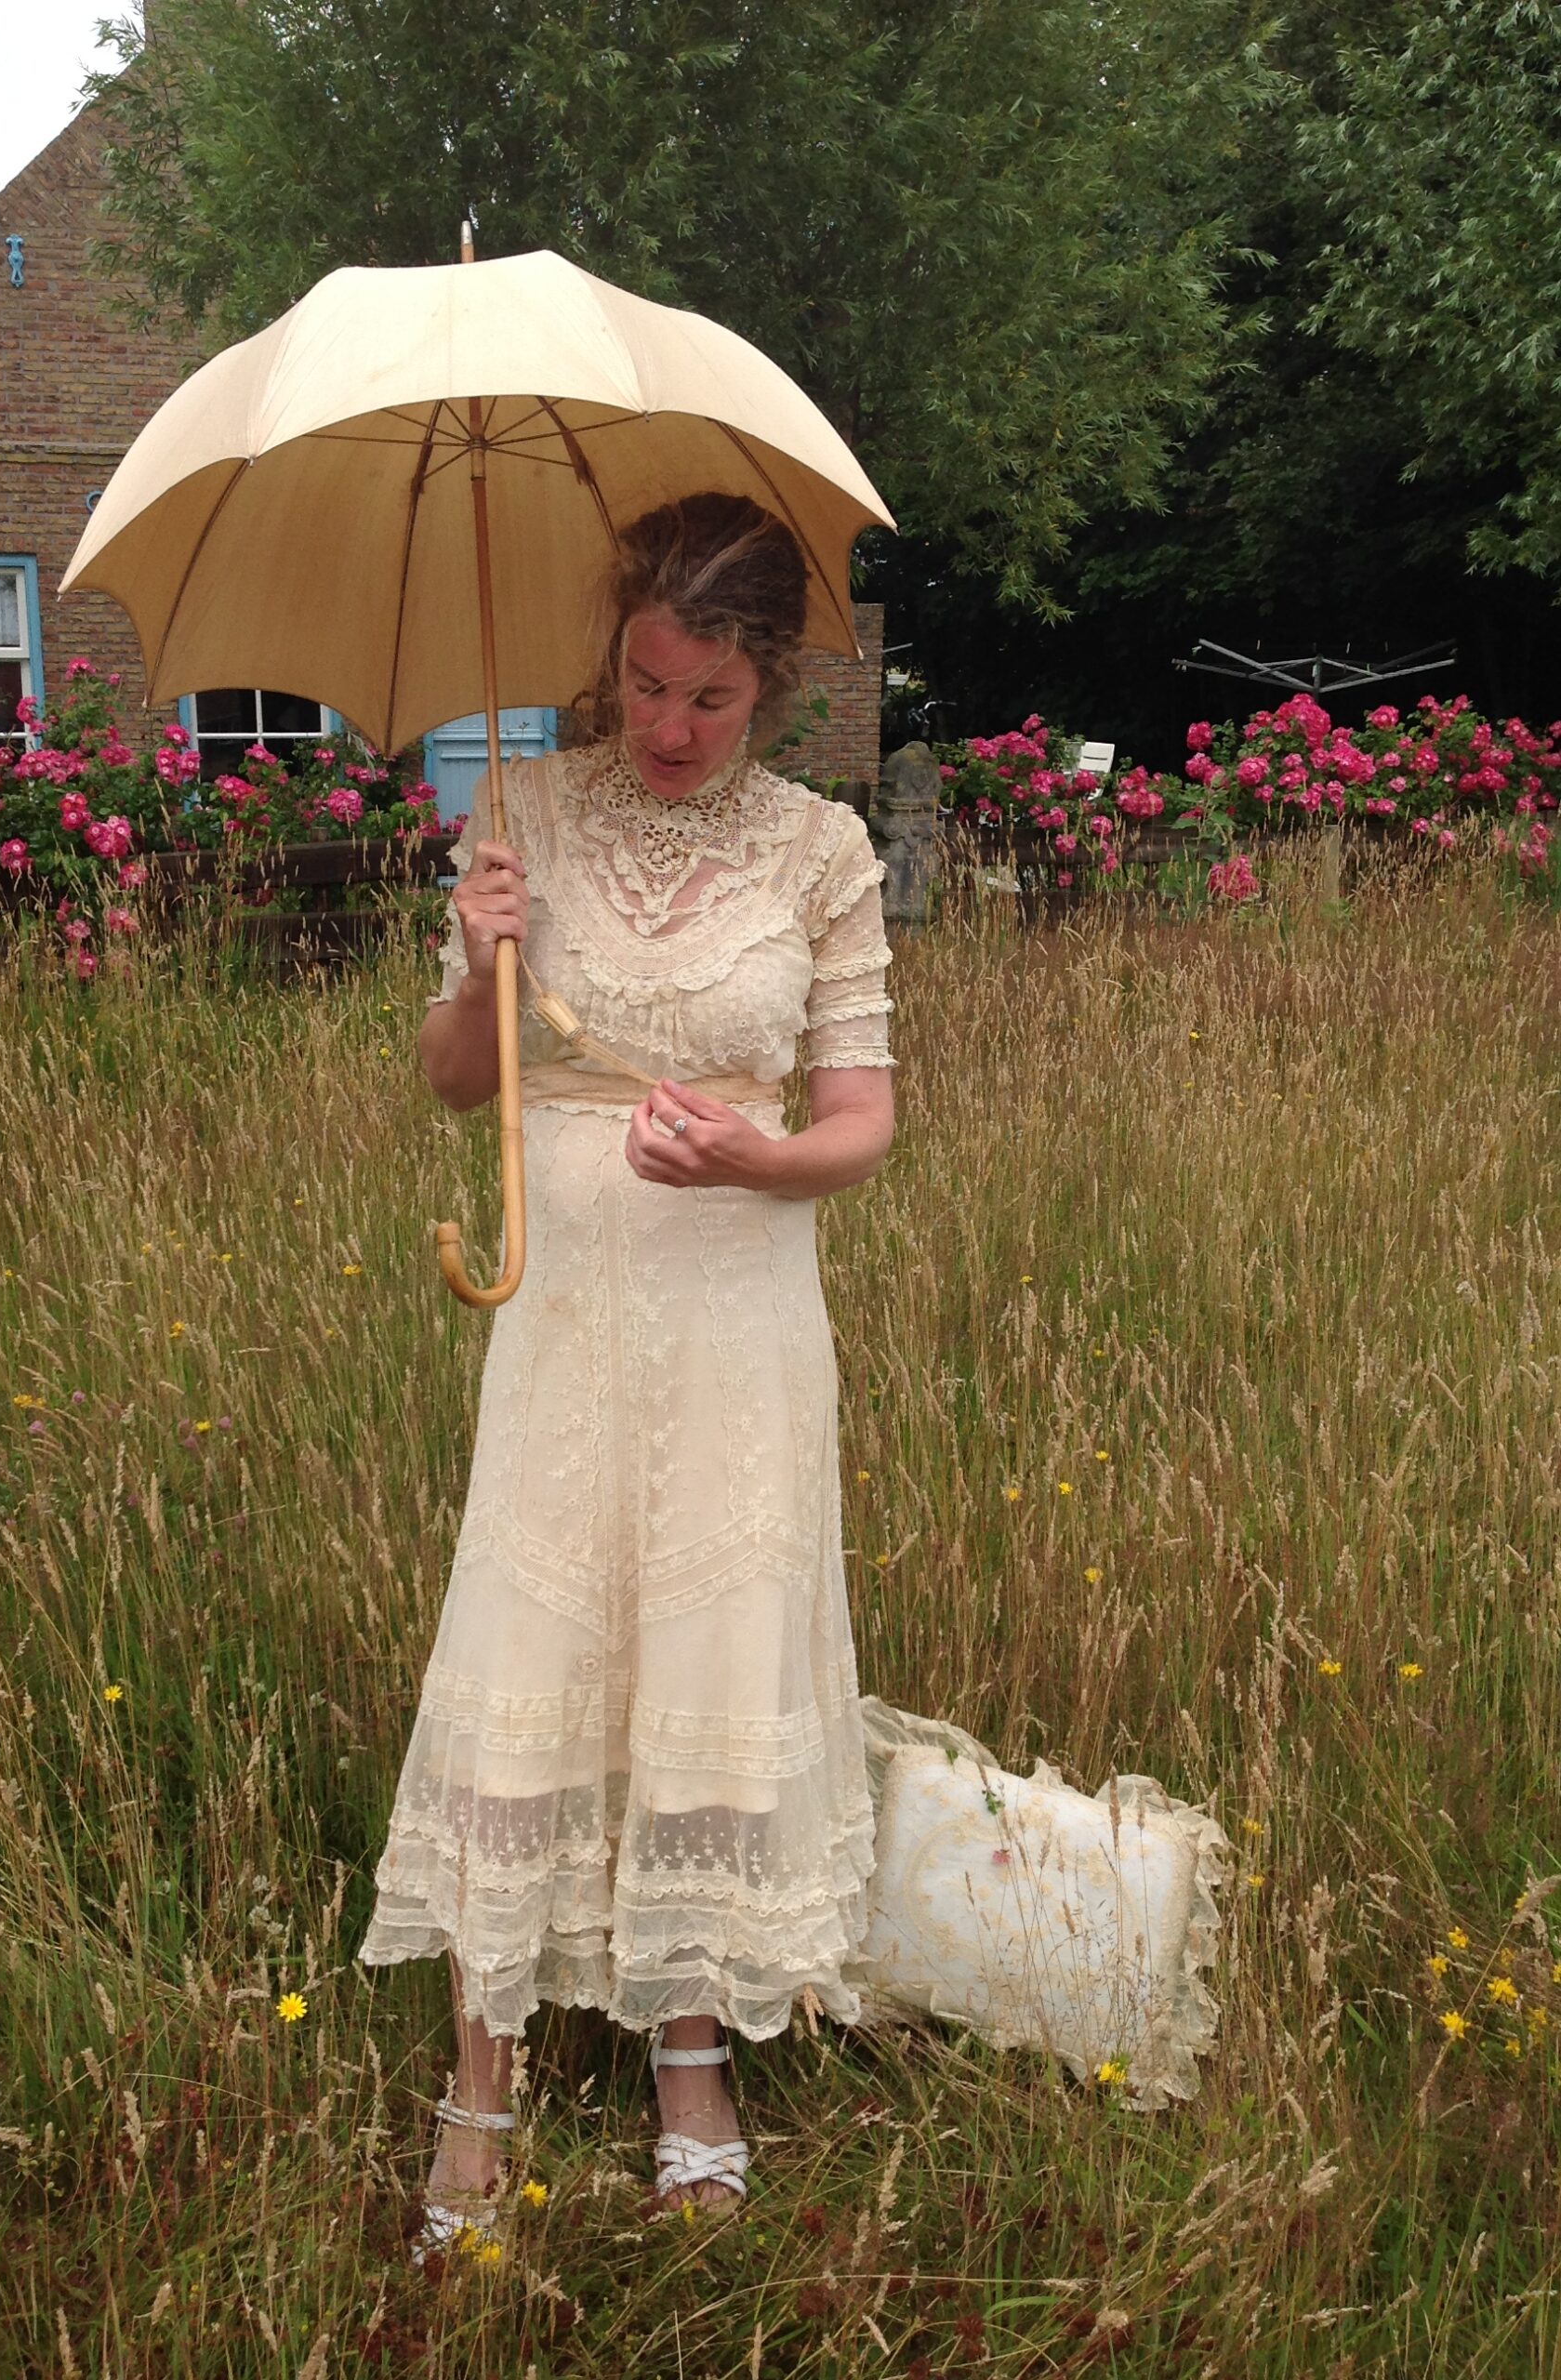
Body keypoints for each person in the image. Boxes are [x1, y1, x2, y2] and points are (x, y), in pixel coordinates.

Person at [358, 491, 896, 2250]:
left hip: (743, 1317)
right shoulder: (526, 823)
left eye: (709, 700)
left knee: (709, 1646)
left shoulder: (825, 851)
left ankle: (690, 2059)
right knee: (537, 1635)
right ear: (614, 655)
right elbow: (454, 1081)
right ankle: (482, 2085)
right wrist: (482, 945)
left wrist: (753, 1163)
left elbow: (862, 1128)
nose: (666, 729)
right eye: (647, 684)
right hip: (568, 1309)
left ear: (771, 685)